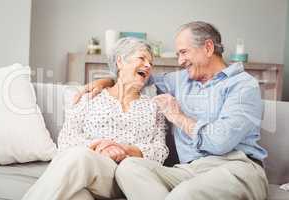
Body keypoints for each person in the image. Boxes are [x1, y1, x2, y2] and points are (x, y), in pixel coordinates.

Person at [76, 21, 269, 200]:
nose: (180, 60)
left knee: (185, 194)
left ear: (208, 48)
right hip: (190, 170)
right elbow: (137, 78)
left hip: (237, 167)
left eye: (184, 52)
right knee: (129, 167)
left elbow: (220, 142)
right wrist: (105, 81)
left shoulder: (243, 85)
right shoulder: (180, 80)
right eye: (178, 54)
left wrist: (178, 116)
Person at [22, 37, 168, 200]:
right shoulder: (90, 98)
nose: (148, 66)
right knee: (77, 196)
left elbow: (160, 152)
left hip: (129, 176)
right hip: (92, 171)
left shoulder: (154, 107)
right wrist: (100, 147)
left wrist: (124, 149)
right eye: (142, 58)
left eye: (151, 63)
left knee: (80, 157)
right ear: (120, 62)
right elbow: (66, 141)